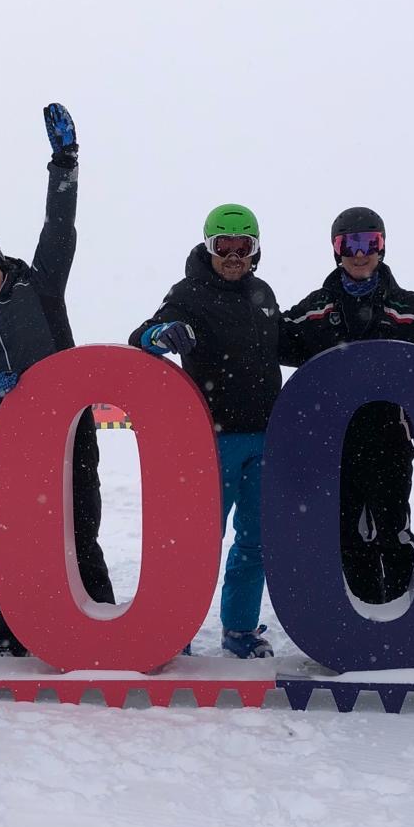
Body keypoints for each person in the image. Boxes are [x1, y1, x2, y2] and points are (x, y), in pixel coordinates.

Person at [0, 103, 116, 657]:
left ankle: (105, 627)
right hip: (9, 438)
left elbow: (59, 226)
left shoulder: (39, 288)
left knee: (77, 524)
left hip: (69, 429)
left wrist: (64, 162)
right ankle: (10, 631)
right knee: (9, 534)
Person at [130, 203, 285, 658]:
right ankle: (174, 631)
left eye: (244, 247)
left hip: (263, 438)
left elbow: (282, 342)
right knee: (197, 543)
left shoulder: (263, 293)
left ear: (255, 250)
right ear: (208, 246)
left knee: (254, 542)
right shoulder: (190, 293)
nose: (234, 255)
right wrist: (161, 334)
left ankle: (239, 631)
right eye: (224, 246)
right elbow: (142, 334)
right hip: (210, 442)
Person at [281, 208, 414, 605]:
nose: (360, 255)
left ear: (382, 247)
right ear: (336, 250)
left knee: (394, 530)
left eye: (369, 244)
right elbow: (263, 335)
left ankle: (399, 616)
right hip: (335, 445)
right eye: (350, 245)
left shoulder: (405, 307)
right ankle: (363, 620)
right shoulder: (315, 311)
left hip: (389, 442)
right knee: (346, 534)